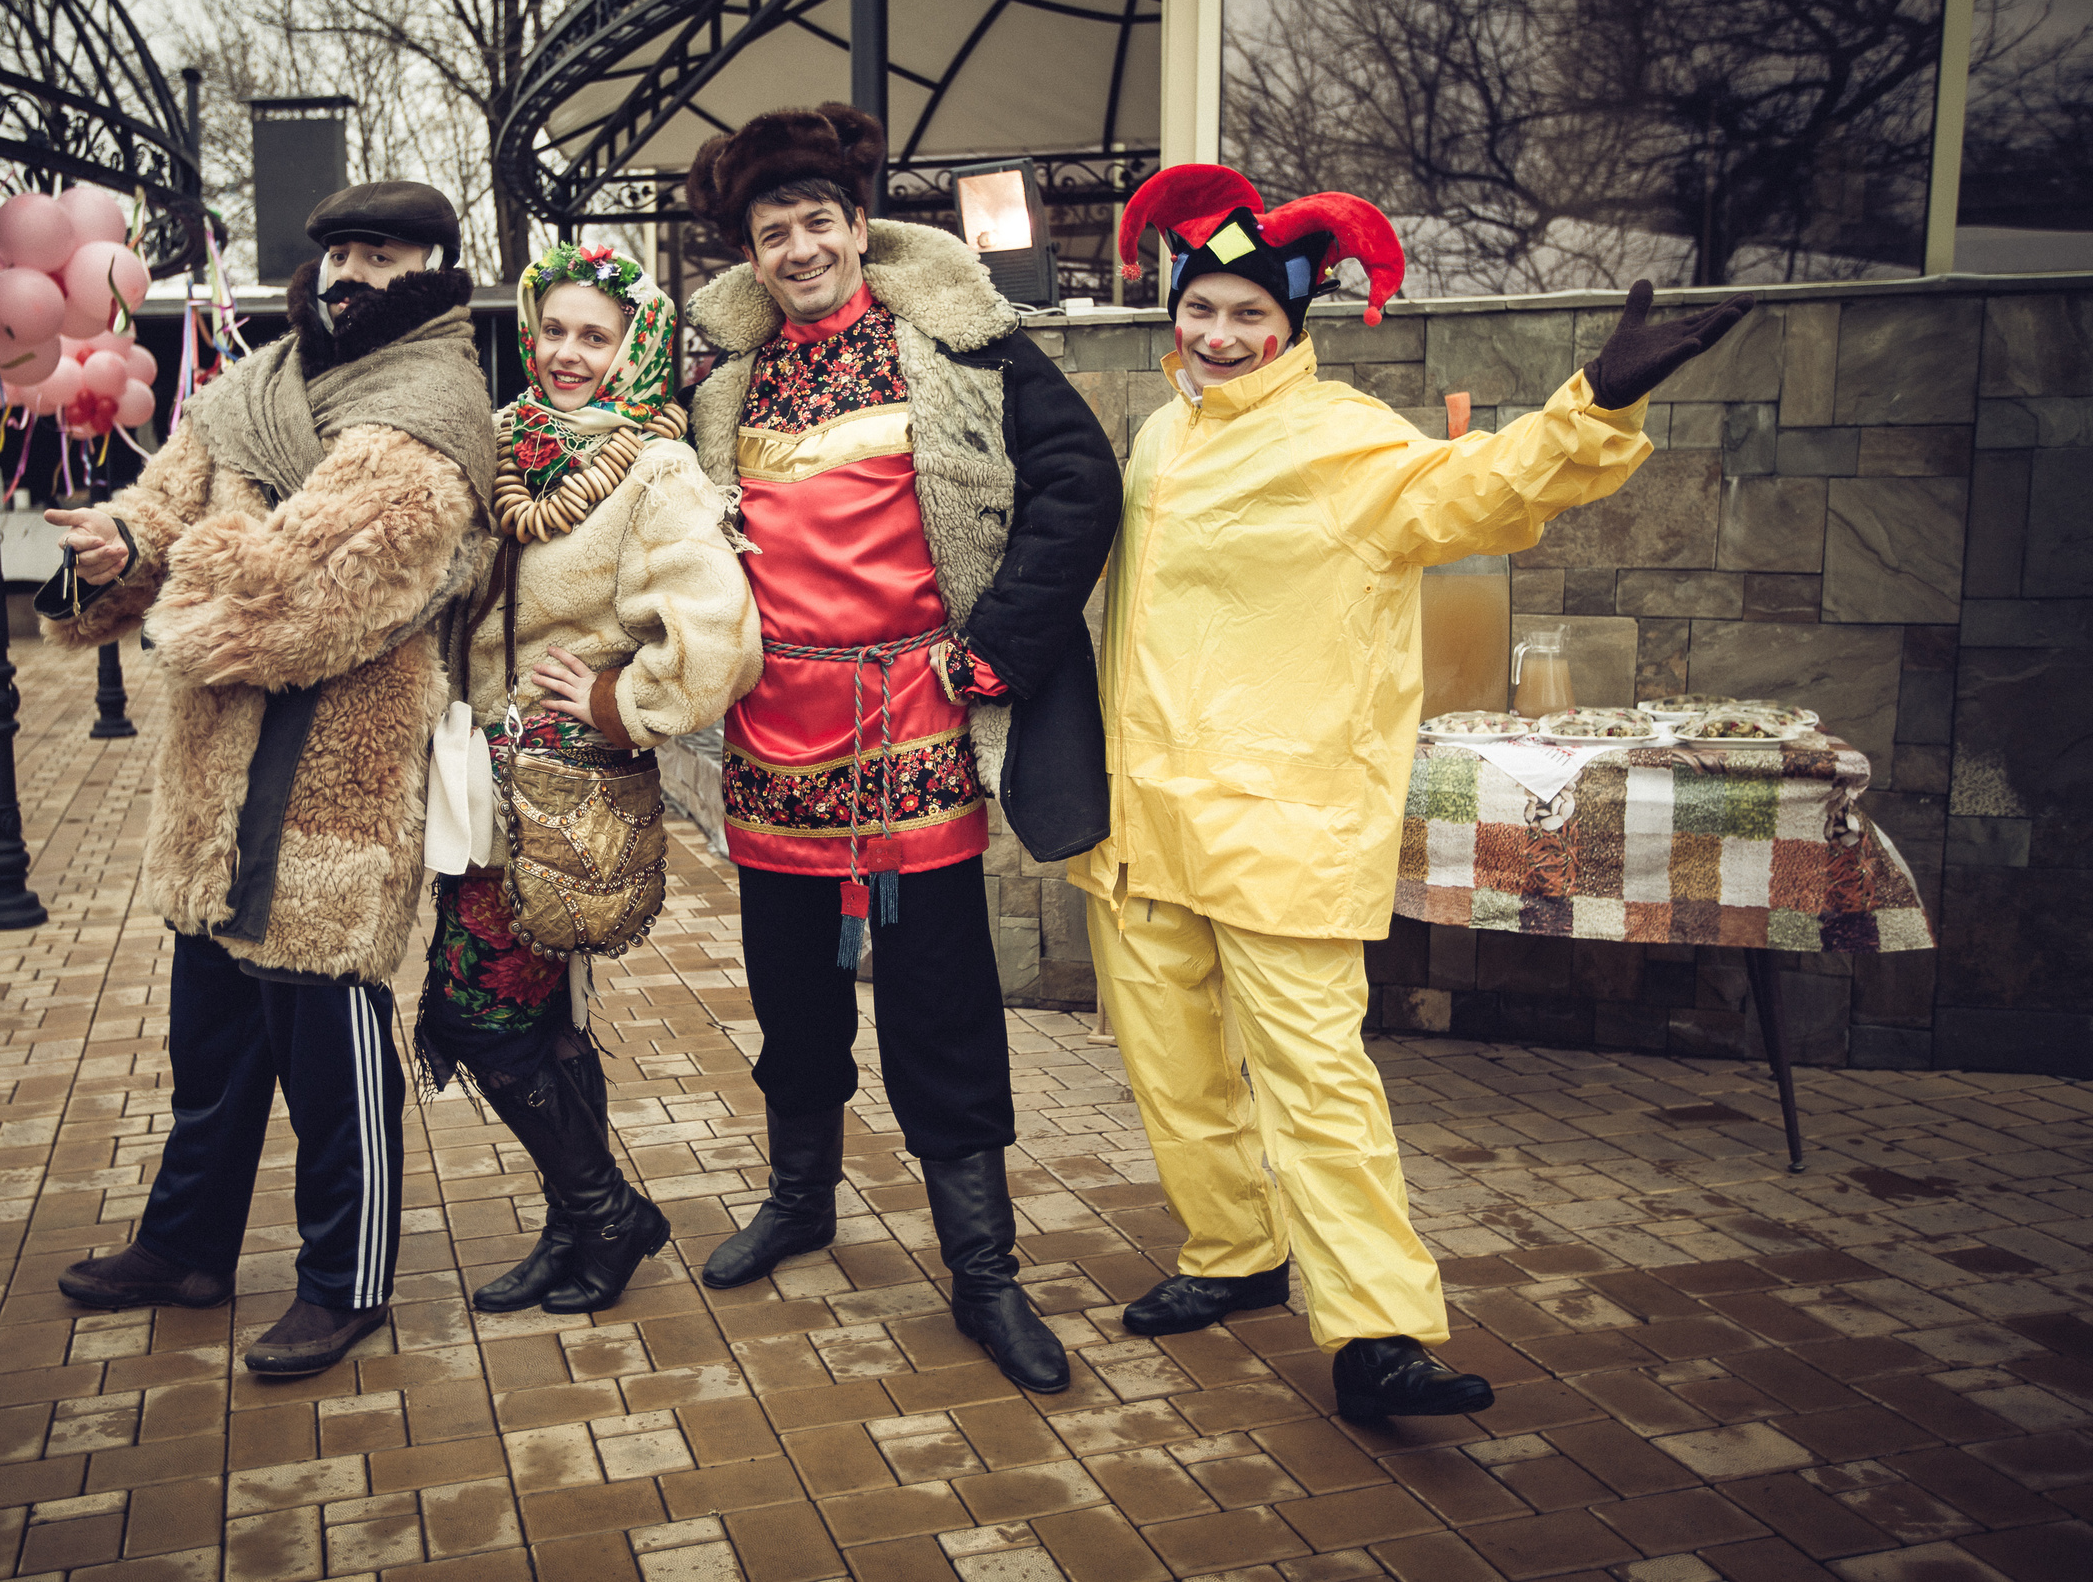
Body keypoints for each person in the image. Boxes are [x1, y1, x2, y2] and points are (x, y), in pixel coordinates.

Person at [1073, 163, 1754, 1420]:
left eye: (1249, 318)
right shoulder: (1163, 434)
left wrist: (1593, 403)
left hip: (1281, 821)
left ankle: (1376, 1333)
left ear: (1294, 329)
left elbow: (1479, 489)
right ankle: (1232, 1254)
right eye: (1201, 311)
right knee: (1171, 1066)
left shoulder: (1343, 440)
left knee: (1315, 1081)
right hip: (1144, 817)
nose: (1219, 337)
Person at [680, 104, 1121, 1395]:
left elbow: (1082, 481)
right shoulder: (716, 375)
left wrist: (995, 650)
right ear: (752, 254)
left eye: (820, 221)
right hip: (772, 748)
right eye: (776, 232)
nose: (802, 246)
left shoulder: (959, 343)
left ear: (860, 227)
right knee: (791, 991)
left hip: (914, 734)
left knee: (940, 1008)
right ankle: (800, 1198)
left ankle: (986, 1271)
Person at [38, 181, 497, 1376]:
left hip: (337, 777)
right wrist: (118, 544)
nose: (349, 271)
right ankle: (186, 1247)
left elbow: (300, 595)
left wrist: (178, 566)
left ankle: (345, 1282)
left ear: (435, 270)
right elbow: (168, 496)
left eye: (381, 252)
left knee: (331, 1050)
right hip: (215, 779)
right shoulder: (250, 387)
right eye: (336, 249)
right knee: (214, 1044)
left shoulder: (433, 411)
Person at [422, 241, 761, 1316]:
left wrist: (623, 702)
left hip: (564, 789)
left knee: (474, 1011)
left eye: (594, 337)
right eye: (555, 330)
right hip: (473, 778)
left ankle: (607, 1212)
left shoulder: (653, 466)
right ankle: (584, 1228)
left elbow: (720, 635)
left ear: (635, 347)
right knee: (547, 1015)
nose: (568, 355)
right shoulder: (502, 442)